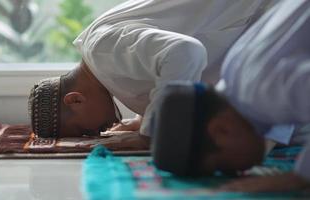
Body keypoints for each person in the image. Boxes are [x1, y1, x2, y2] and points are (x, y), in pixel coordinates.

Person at [28, 0, 274, 143]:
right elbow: (158, 67)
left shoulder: (102, 48)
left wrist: (150, 134)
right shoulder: (103, 58)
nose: (97, 134)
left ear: (75, 99)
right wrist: (142, 119)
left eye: (85, 131)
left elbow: (185, 52)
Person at [152, 0, 310, 192]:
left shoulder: (262, 91)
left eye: (222, 167)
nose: (239, 171)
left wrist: (301, 175)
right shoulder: (236, 72)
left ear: (221, 130)